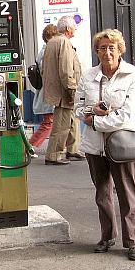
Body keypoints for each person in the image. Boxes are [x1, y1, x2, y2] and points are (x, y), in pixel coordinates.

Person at [74, 29, 135, 261]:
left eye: (111, 47)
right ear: (96, 51)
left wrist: (94, 121)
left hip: (124, 144)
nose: (107, 52)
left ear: (120, 49)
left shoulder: (132, 75)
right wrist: (91, 110)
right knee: (102, 194)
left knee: (127, 193)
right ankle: (107, 236)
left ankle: (134, 241)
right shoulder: (88, 76)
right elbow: (77, 108)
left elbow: (127, 114)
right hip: (95, 147)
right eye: (102, 48)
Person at [42, 15, 83, 165]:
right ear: (67, 29)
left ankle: (72, 149)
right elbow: (66, 70)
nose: (75, 30)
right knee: (62, 124)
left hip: (56, 89)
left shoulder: (52, 42)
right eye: (74, 27)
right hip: (63, 91)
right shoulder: (63, 42)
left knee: (71, 120)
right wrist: (72, 90)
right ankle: (54, 155)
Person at [29, 24, 59, 148]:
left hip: (47, 93)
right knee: (49, 122)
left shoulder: (44, 51)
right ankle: (30, 145)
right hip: (48, 94)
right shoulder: (47, 51)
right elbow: (48, 73)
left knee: (56, 122)